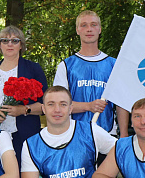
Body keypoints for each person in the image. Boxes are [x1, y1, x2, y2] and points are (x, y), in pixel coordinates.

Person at [53, 10, 128, 140]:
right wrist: (88, 106)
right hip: (74, 135)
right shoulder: (66, 66)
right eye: (84, 25)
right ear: (77, 30)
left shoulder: (113, 65)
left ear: (99, 29)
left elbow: (121, 103)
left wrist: (124, 135)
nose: (89, 29)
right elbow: (59, 104)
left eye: (93, 25)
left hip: (107, 134)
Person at [0, 25, 47, 162]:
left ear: (21, 45)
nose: (9, 44)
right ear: (0, 45)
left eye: (15, 41)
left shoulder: (33, 69)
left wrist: (24, 110)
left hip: (24, 134)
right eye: (5, 40)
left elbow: (46, 105)